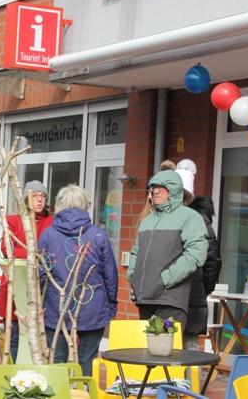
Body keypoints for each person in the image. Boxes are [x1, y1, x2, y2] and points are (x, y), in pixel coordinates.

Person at [38, 184, 118, 376]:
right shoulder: (98, 235)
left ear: (59, 204)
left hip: (57, 308)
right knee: (86, 362)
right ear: (84, 204)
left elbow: (39, 275)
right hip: (92, 309)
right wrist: (111, 306)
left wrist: (37, 306)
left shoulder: (48, 234)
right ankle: (84, 391)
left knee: (57, 362)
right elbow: (110, 275)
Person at [127, 169, 208, 333]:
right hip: (145, 299)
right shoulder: (147, 221)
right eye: (154, 187)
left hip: (170, 300)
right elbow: (136, 252)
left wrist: (165, 279)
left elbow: (195, 254)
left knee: (166, 348)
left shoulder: (190, 217)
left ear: (174, 190)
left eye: (161, 187)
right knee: (146, 348)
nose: (156, 191)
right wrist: (133, 276)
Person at [0, 180, 53, 363]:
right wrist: (36, 253)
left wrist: (32, 253)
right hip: (15, 288)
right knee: (14, 337)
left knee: (42, 338)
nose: (40, 199)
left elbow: (53, 252)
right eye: (35, 196)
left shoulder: (52, 222)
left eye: (43, 196)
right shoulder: (13, 221)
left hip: (43, 289)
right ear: (26, 199)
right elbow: (8, 250)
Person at [175, 159, 222, 350]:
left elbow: (212, 260)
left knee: (187, 348)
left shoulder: (198, 220)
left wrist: (204, 289)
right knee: (185, 346)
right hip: (184, 294)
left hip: (191, 293)